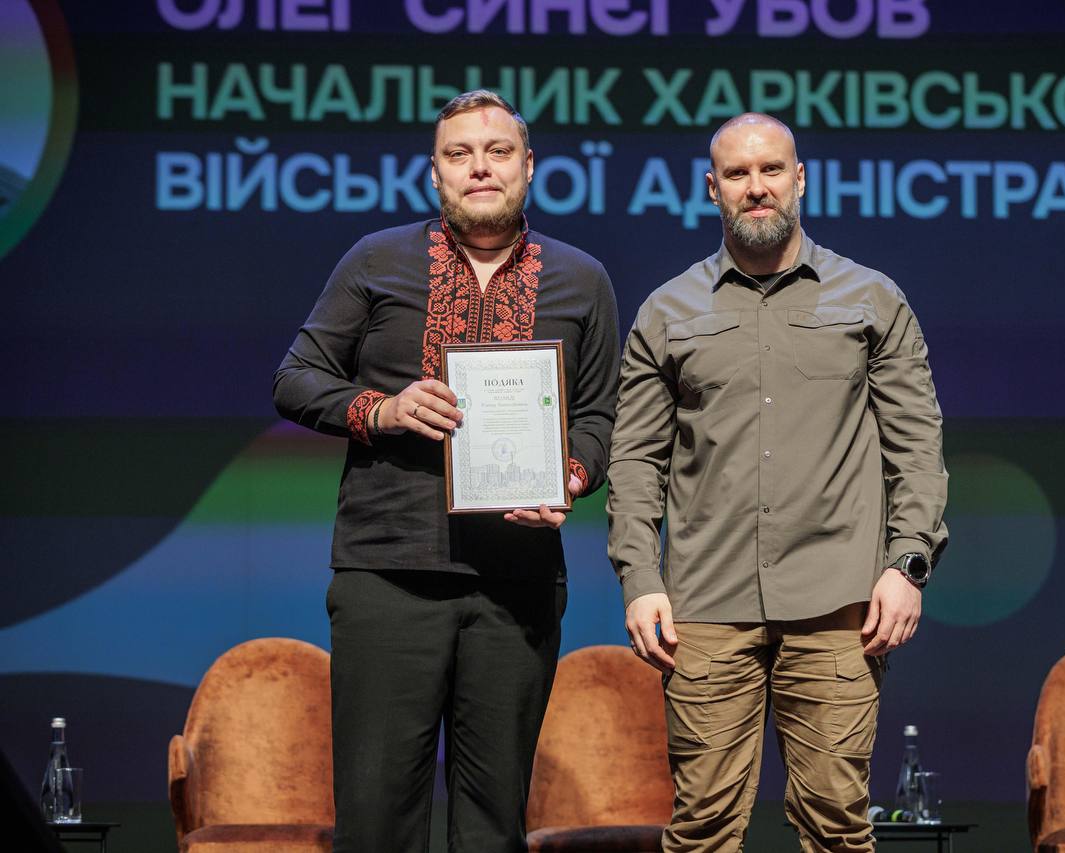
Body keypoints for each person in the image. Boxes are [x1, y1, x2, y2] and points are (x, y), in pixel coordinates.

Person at [273, 90, 619, 853]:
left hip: (518, 584)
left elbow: (602, 414)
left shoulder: (582, 278)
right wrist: (383, 410)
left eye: (498, 151)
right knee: (377, 820)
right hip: (388, 575)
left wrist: (569, 474)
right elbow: (295, 378)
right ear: (435, 173)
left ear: (529, 166)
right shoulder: (376, 259)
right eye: (459, 154)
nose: (480, 168)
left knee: (493, 824)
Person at [606, 113, 948, 852]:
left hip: (837, 602)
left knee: (836, 827)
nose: (755, 186)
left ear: (800, 179)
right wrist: (639, 578)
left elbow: (917, 448)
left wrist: (907, 564)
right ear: (713, 188)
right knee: (701, 831)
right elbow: (634, 461)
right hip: (704, 604)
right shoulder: (667, 311)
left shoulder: (871, 298)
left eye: (770, 170)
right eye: (737, 173)